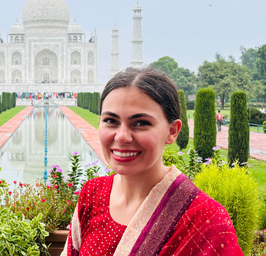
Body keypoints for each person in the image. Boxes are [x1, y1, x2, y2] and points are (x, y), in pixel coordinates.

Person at [61, 68, 242, 256]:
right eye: (111, 121)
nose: (122, 137)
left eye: (141, 123)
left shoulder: (205, 219)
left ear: (172, 131)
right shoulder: (92, 193)